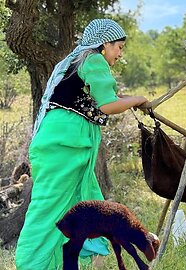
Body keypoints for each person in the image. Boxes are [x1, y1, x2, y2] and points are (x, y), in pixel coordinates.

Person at [16, 19, 149, 270]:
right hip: (64, 144)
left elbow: (102, 98)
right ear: (104, 44)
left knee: (68, 202)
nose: (120, 54)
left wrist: (131, 100)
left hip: (57, 141)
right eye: (119, 47)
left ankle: (59, 263)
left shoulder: (75, 62)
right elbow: (107, 105)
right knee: (49, 207)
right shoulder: (94, 59)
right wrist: (138, 99)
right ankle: (29, 265)